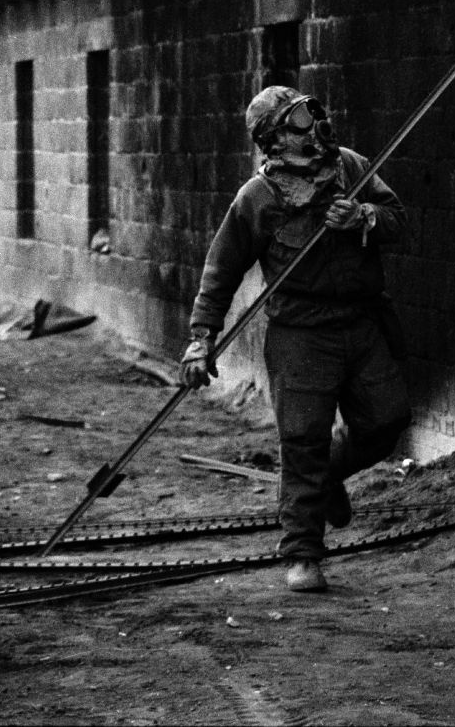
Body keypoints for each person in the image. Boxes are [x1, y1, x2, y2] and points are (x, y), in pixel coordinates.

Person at [181, 86, 412, 593]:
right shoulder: (257, 199)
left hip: (362, 322)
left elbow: (400, 221)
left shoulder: (352, 168)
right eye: (298, 121)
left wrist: (364, 217)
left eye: (312, 112)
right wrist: (202, 339)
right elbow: (220, 271)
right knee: (302, 440)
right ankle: (303, 553)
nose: (315, 125)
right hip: (300, 336)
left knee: (387, 419)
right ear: (273, 138)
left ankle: (330, 476)